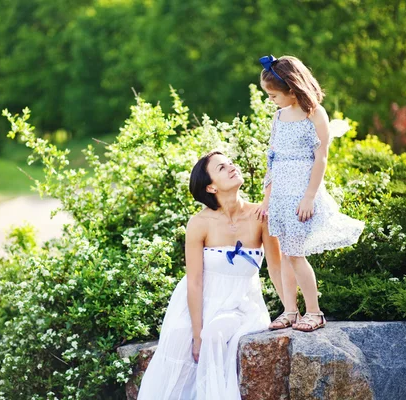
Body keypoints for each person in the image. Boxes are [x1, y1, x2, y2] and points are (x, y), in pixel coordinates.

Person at [138, 151, 281, 400]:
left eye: (231, 163)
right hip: (197, 304)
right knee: (179, 342)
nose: (231, 167)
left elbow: (278, 268)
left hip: (240, 305)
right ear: (211, 187)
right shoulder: (199, 223)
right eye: (221, 167)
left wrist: (292, 311)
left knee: (214, 335)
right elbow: (194, 281)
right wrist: (195, 334)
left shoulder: (261, 215)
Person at [255, 55, 364, 332]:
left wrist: (309, 196)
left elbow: (321, 158)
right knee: (285, 254)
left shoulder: (314, 113)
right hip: (280, 193)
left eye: (273, 95)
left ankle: (314, 312)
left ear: (292, 89)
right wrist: (267, 198)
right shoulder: (279, 116)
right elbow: (272, 158)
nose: (271, 100)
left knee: (295, 253)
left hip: (301, 194)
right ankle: (290, 311)